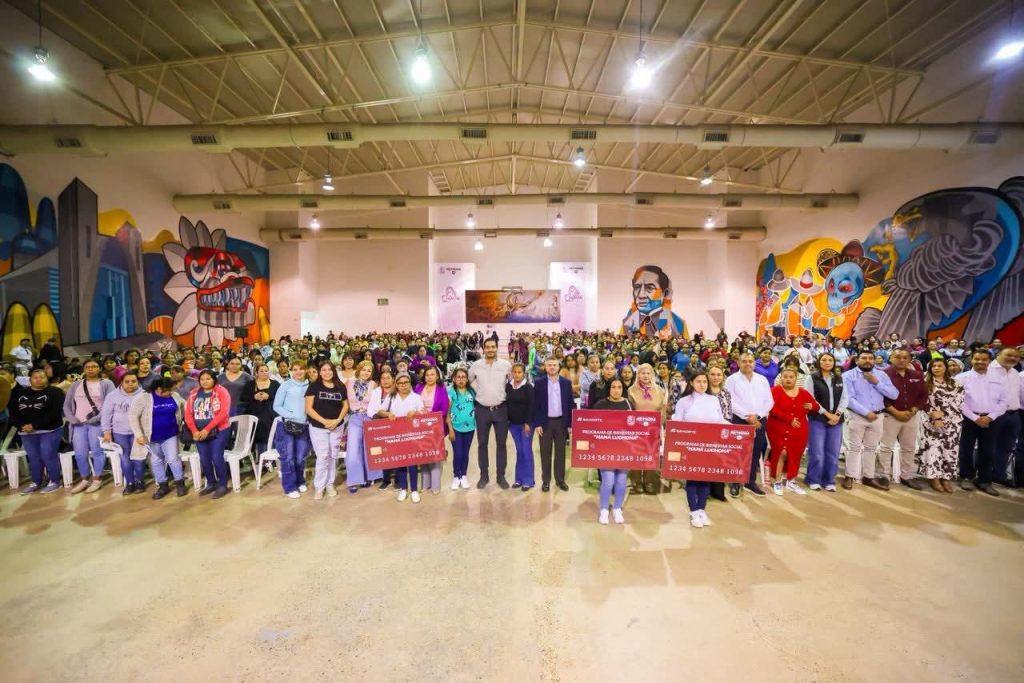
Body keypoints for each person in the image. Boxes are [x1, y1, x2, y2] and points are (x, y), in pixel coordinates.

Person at [672, 371, 728, 528]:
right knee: (693, 478)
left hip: (709, 445)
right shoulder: (684, 401)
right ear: (691, 383)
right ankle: (694, 511)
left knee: (705, 477)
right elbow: (677, 422)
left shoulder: (713, 400)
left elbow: (720, 420)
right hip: (690, 446)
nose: (702, 384)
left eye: (704, 381)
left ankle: (702, 510)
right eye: (698, 381)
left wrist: (738, 430)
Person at [841, 350, 900, 490]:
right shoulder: (848, 375)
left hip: (878, 417)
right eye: (864, 358)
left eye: (870, 358)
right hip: (857, 416)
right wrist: (866, 412)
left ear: (874, 361)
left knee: (871, 448)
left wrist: (877, 382)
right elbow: (849, 399)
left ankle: (868, 477)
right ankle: (849, 476)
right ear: (857, 360)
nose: (867, 360)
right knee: (854, 447)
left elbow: (894, 394)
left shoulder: (881, 375)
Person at [955, 349, 1007, 496]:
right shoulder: (961, 378)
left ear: (989, 361)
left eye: (984, 359)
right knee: (966, 449)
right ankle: (966, 476)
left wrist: (990, 417)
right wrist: (975, 418)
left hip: (992, 419)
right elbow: (958, 401)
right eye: (977, 359)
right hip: (968, 419)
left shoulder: (999, 378)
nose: (980, 362)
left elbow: (1004, 401)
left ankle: (984, 480)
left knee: (988, 450)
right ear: (971, 360)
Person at [62, 359, 116, 494]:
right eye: (87, 367)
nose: (91, 369)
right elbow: (66, 405)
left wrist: (96, 418)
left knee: (97, 451)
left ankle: (97, 478)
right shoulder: (75, 385)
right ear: (84, 369)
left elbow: (110, 404)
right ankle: (85, 479)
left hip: (97, 424)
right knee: (80, 454)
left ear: (99, 368)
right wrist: (72, 419)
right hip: (78, 425)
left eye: (94, 366)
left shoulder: (106, 383)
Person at [877, 348, 928, 490]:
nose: (902, 360)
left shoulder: (917, 375)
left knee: (909, 447)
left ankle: (907, 476)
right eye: (898, 357)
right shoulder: (883, 375)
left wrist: (914, 409)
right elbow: (879, 396)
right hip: (890, 415)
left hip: (911, 416)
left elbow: (923, 395)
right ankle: (883, 476)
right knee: (886, 447)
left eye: (905, 357)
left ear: (910, 359)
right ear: (891, 358)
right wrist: (895, 412)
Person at [129, 377, 187, 499]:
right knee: (156, 461)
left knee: (173, 459)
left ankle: (180, 483)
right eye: (168, 391)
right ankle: (162, 485)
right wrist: (139, 435)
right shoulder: (144, 398)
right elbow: (132, 416)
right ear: (159, 389)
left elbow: (185, 406)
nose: (171, 392)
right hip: (151, 437)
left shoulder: (174, 396)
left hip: (171, 434)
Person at [724, 353, 773, 497]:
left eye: (750, 361)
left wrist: (758, 416)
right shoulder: (731, 380)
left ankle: (750, 482)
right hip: (739, 419)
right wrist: (747, 416)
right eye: (744, 361)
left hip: (759, 420)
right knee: (737, 452)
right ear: (738, 363)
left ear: (754, 363)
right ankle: (735, 482)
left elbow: (769, 401)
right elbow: (729, 401)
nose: (747, 364)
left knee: (755, 451)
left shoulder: (762, 380)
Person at [766, 368, 820, 495]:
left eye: (791, 377)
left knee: (796, 454)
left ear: (796, 378)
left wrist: (812, 406)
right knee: (781, 452)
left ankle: (791, 481)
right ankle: (777, 481)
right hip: (778, 427)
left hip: (799, 429)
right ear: (780, 378)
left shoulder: (803, 392)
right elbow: (771, 408)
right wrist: (789, 419)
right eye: (785, 377)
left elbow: (816, 406)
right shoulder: (774, 391)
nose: (788, 379)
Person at [11, 367, 65, 494]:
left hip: (49, 430)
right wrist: (22, 426)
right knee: (33, 457)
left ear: (47, 379)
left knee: (48, 455)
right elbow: (12, 413)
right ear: (30, 380)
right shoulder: (19, 393)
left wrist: (34, 425)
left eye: (42, 377)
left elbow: (55, 413)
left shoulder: (55, 392)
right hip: (26, 431)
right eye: (35, 377)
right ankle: (36, 481)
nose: (39, 380)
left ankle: (55, 480)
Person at [373, 373, 426, 503]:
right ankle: (403, 488)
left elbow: (424, 412)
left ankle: (414, 490)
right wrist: (388, 414)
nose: (403, 385)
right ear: (396, 384)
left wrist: (416, 412)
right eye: (400, 383)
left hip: (412, 434)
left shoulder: (416, 397)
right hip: (396, 435)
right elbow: (379, 411)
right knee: (400, 462)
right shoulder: (391, 397)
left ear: (410, 383)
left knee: (412, 462)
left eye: (406, 382)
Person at [468, 338, 511, 489]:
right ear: (483, 349)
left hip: (501, 410)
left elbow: (513, 384)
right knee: (482, 444)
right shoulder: (476, 366)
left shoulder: (506, 365)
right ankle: (484, 476)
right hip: (482, 410)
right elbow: (466, 383)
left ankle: (501, 476)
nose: (490, 349)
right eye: (487, 347)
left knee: (501, 444)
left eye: (493, 347)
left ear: (497, 348)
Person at [917, 358, 964, 493]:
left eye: (940, 366)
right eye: (934, 366)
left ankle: (946, 478)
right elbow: (921, 400)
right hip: (931, 422)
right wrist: (934, 416)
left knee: (950, 450)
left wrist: (943, 413)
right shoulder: (925, 382)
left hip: (952, 421)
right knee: (934, 450)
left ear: (946, 368)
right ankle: (934, 478)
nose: (936, 368)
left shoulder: (955, 383)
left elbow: (959, 401)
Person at [305, 361, 349, 500]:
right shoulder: (314, 386)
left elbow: (345, 406)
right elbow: (308, 408)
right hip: (318, 427)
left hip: (337, 426)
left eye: (329, 369)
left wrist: (337, 420)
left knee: (333, 455)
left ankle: (330, 484)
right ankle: (320, 487)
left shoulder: (340, 386)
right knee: (323, 456)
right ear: (320, 372)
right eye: (324, 370)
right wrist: (324, 421)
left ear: (333, 371)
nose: (327, 372)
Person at [185, 369, 232, 499]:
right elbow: (188, 414)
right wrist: (194, 431)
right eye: (202, 379)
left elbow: (223, 413)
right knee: (204, 458)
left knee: (216, 457)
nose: (205, 382)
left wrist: (207, 429)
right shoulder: (194, 393)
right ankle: (211, 483)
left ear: (214, 379)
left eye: (208, 379)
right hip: (199, 431)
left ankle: (223, 484)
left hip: (219, 429)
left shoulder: (221, 391)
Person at [592, 377, 633, 524]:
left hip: (625, 450)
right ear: (608, 389)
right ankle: (604, 509)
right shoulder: (600, 405)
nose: (616, 390)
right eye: (613, 387)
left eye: (619, 387)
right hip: (605, 450)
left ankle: (617, 508)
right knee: (608, 481)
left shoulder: (629, 404)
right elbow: (592, 426)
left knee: (621, 481)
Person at [532, 357, 574, 492]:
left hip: (561, 422)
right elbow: (535, 404)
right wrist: (537, 423)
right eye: (549, 365)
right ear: (545, 367)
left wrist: (570, 424)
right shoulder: (539, 383)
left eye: (554, 365)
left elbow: (570, 403)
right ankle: (546, 481)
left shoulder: (566, 383)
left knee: (560, 453)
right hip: (545, 423)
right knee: (545, 453)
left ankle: (560, 480)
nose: (552, 367)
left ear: (559, 366)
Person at [101, 371, 146, 495]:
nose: (130, 384)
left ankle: (140, 481)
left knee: (139, 459)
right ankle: (130, 483)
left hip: (138, 433)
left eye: (133, 381)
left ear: (138, 382)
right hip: (119, 433)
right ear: (121, 382)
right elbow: (106, 415)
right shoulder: (112, 396)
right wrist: (107, 432)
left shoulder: (144, 395)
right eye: (127, 382)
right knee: (125, 459)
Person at [806, 353, 846, 491]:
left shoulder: (839, 378)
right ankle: (813, 479)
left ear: (834, 362)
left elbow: (845, 398)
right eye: (824, 360)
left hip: (836, 420)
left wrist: (837, 414)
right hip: (817, 419)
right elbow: (810, 399)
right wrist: (827, 414)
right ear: (819, 362)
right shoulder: (812, 378)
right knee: (817, 452)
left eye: (830, 360)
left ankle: (829, 480)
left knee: (833, 452)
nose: (827, 362)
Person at [272, 360, 312, 499]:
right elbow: (277, 406)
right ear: (291, 371)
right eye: (295, 369)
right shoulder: (286, 385)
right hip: (286, 426)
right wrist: (292, 415)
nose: (298, 372)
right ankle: (289, 487)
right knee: (288, 457)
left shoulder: (310, 385)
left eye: (301, 369)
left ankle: (300, 481)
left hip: (304, 426)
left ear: (306, 370)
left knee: (301, 457)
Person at [627, 363, 667, 494]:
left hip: (653, 430)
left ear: (652, 375)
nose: (645, 376)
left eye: (648, 373)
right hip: (636, 429)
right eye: (643, 373)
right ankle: (637, 481)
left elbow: (663, 411)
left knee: (651, 455)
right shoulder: (631, 391)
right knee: (636, 454)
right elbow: (629, 410)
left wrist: (660, 426)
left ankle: (649, 481)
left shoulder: (660, 391)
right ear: (638, 375)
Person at [344, 360, 382, 492]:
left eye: (369, 371)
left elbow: (376, 403)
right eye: (364, 370)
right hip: (354, 417)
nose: (366, 373)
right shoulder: (349, 382)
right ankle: (354, 480)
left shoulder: (373, 384)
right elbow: (344, 401)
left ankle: (370, 476)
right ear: (359, 370)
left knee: (369, 448)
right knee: (353, 449)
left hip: (369, 417)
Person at [989, 347, 1022, 486]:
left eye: (1016, 356)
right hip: (995, 414)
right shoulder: (988, 370)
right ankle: (984, 474)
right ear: (998, 354)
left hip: (1014, 414)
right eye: (1009, 355)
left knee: (1006, 447)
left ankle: (999, 475)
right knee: (989, 445)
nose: (1013, 358)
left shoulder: (1015, 373)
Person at [415, 366, 449, 495]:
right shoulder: (418, 388)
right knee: (423, 455)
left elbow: (444, 409)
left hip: (435, 425)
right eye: (427, 375)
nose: (429, 377)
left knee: (434, 455)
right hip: (420, 426)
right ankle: (425, 484)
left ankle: (435, 485)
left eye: (432, 374)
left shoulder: (441, 389)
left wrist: (430, 416)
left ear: (437, 376)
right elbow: (413, 404)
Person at [505, 363, 535, 491]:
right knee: (519, 451)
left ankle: (529, 480)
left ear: (524, 374)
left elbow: (531, 406)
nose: (517, 375)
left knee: (526, 451)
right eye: (515, 372)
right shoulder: (508, 386)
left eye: (519, 372)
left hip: (525, 425)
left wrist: (528, 423)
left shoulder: (528, 387)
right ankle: (519, 479)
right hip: (513, 425)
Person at [368, 367, 398, 490]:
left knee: (396, 452)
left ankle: (397, 479)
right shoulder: (376, 392)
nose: (385, 380)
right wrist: (382, 414)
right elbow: (371, 410)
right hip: (380, 425)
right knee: (384, 452)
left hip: (395, 424)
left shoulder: (398, 390)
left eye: (388, 378)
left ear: (393, 379)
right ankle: (386, 480)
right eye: (383, 378)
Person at [446, 368, 476, 490]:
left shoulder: (472, 392)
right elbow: (447, 413)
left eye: (463, 377)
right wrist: (450, 429)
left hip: (470, 428)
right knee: (458, 453)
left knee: (465, 453)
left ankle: (463, 475)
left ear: (467, 379)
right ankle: (456, 476)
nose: (461, 379)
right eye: (458, 377)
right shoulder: (451, 392)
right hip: (456, 429)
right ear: (454, 379)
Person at [706, 365, 731, 502]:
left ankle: (718, 491)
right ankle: (705, 490)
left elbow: (728, 413)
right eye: (713, 374)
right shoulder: (703, 391)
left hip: (722, 430)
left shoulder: (725, 392)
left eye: (719, 374)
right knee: (706, 461)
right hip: (706, 431)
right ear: (707, 375)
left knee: (719, 461)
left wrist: (725, 428)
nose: (716, 377)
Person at [243, 364, 279, 456]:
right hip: (255, 413)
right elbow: (243, 397)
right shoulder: (250, 384)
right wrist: (254, 396)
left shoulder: (275, 384)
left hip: (271, 414)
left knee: (272, 431)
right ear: (257, 372)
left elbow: (281, 397)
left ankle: (272, 457)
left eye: (266, 371)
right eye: (261, 371)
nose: (264, 373)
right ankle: (262, 457)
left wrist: (269, 396)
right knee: (260, 430)